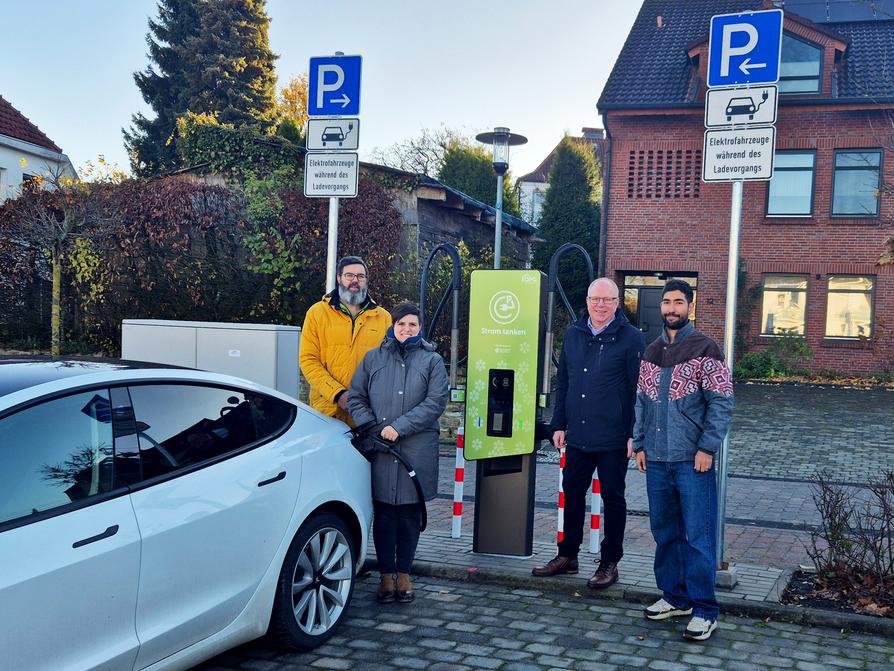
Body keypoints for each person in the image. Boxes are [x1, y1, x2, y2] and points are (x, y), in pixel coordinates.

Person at [633, 279, 734, 641]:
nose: (671, 308)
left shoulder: (705, 348)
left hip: (693, 461)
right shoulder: (650, 352)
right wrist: (640, 443)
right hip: (657, 460)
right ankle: (675, 597)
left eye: (678, 302)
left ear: (689, 306)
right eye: (666, 302)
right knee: (665, 534)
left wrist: (708, 448)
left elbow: (721, 402)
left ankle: (705, 609)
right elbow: (641, 402)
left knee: (698, 537)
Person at [532, 278, 645, 589]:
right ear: (587, 300)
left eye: (607, 300)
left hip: (613, 436)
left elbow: (639, 389)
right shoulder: (574, 334)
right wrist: (558, 424)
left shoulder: (631, 338)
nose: (600, 305)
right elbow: (564, 382)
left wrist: (635, 433)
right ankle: (567, 556)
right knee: (571, 495)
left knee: (613, 498)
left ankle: (610, 563)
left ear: (617, 303)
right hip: (578, 434)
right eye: (595, 299)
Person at [348, 301, 448, 604]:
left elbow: (435, 403)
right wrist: (372, 427)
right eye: (402, 324)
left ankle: (403, 573)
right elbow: (356, 396)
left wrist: (400, 427)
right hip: (380, 448)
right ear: (393, 326)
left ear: (420, 328)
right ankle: (385, 575)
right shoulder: (373, 358)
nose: (407, 330)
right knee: (384, 514)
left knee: (407, 514)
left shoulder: (433, 361)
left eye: (413, 325)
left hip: (415, 449)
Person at [299, 256, 391, 425]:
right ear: (339, 278)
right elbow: (308, 360)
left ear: (366, 280)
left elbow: (389, 365)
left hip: (368, 412)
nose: (355, 281)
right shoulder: (317, 313)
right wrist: (337, 394)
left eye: (360, 276)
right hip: (327, 412)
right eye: (349, 275)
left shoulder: (383, 318)